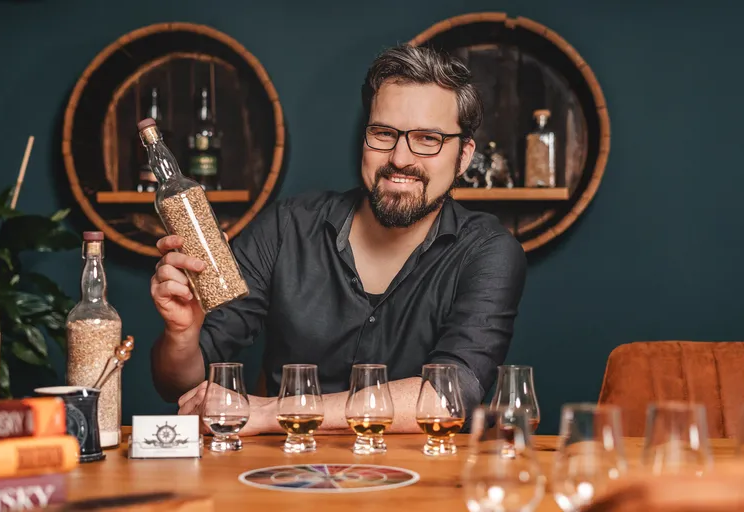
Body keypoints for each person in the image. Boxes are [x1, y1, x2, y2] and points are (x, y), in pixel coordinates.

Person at [150, 44, 527, 435]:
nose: (399, 158)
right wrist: (182, 335)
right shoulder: (285, 228)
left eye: (427, 139)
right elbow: (178, 386)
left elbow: (448, 397)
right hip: (285, 482)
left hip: (425, 486)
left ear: (464, 156)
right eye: (383, 133)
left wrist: (270, 412)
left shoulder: (488, 252)